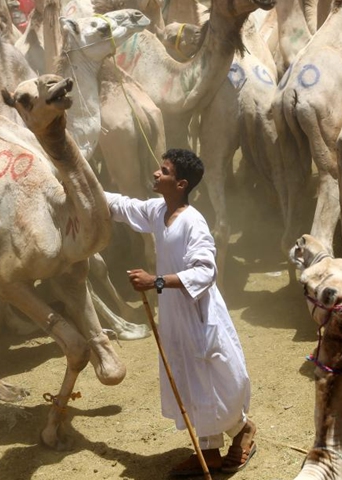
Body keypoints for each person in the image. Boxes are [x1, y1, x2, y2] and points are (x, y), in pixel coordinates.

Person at [105, 148, 256, 476]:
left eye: (165, 171)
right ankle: (210, 451)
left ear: (181, 183)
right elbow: (121, 206)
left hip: (197, 312)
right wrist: (83, 186)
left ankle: (242, 430)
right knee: (189, 378)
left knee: (212, 377)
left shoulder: (192, 222)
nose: (157, 174)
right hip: (173, 312)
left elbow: (206, 272)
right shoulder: (158, 211)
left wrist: (154, 281)